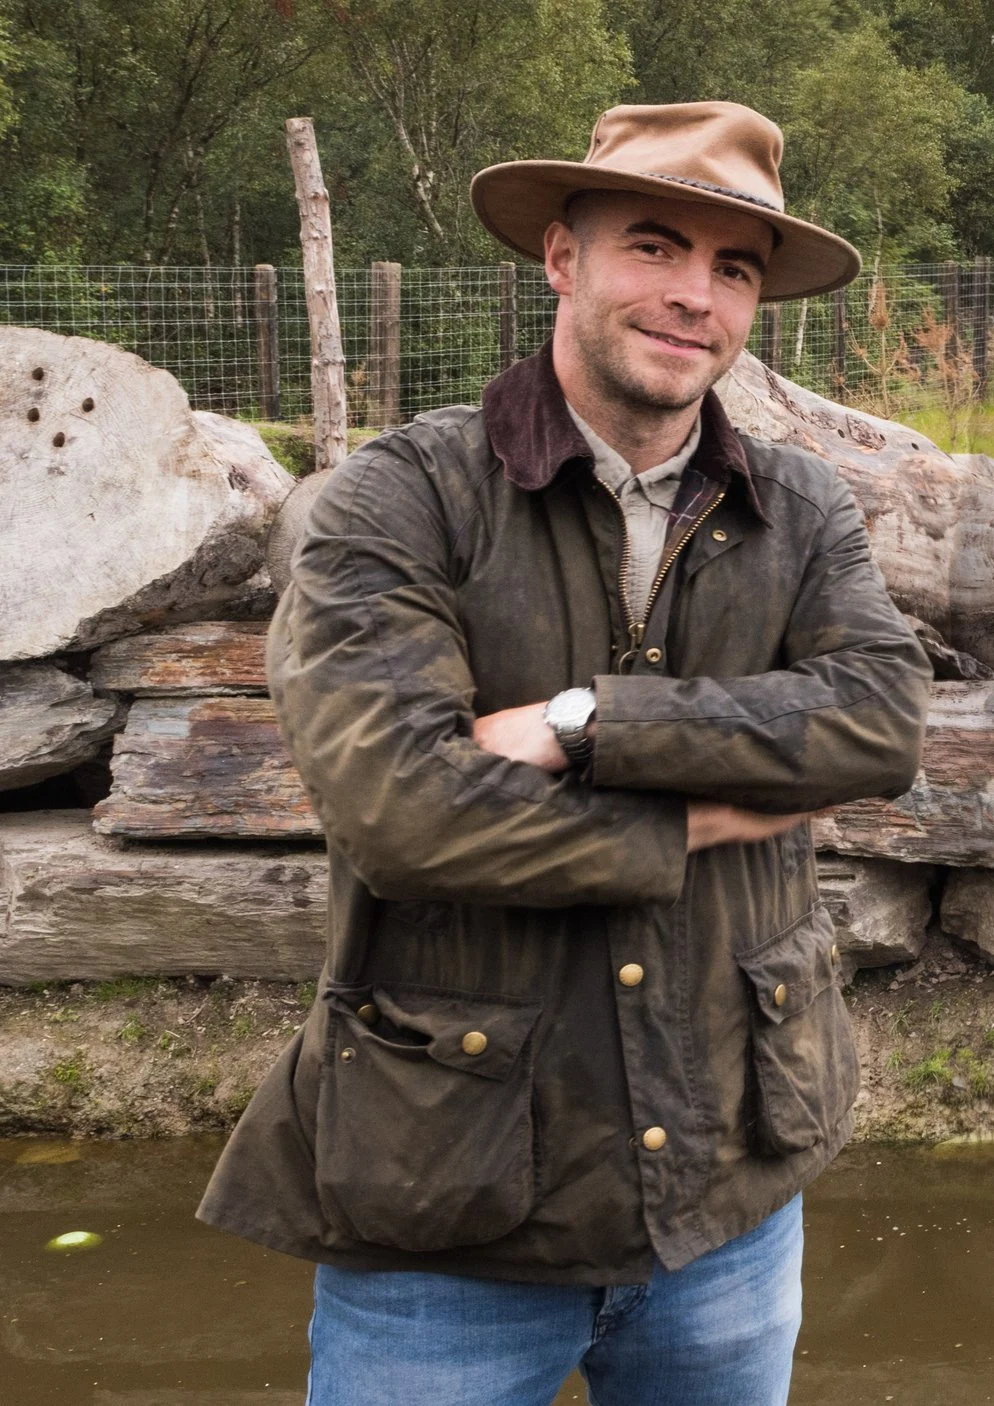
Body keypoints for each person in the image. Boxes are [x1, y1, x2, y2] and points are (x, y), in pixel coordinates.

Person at [197, 101, 930, 1406]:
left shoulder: (803, 506)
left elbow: (879, 722)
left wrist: (588, 723)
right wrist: (717, 810)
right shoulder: (399, 498)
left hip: (728, 1200)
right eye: (654, 246)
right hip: (447, 1217)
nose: (693, 294)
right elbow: (402, 810)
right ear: (561, 259)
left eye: (735, 267)